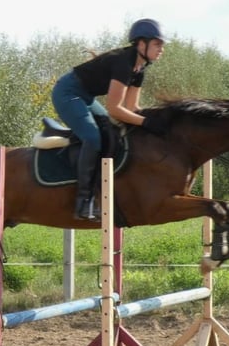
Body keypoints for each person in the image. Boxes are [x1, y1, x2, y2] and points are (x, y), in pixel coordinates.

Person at [51, 18, 168, 221]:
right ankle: (83, 202)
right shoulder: (124, 63)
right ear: (141, 43)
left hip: (85, 97)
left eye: (162, 45)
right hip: (67, 93)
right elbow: (115, 110)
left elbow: (132, 109)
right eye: (157, 44)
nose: (161, 49)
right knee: (93, 137)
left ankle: (101, 193)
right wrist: (146, 123)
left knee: (110, 133)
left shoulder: (139, 69)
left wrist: (154, 118)